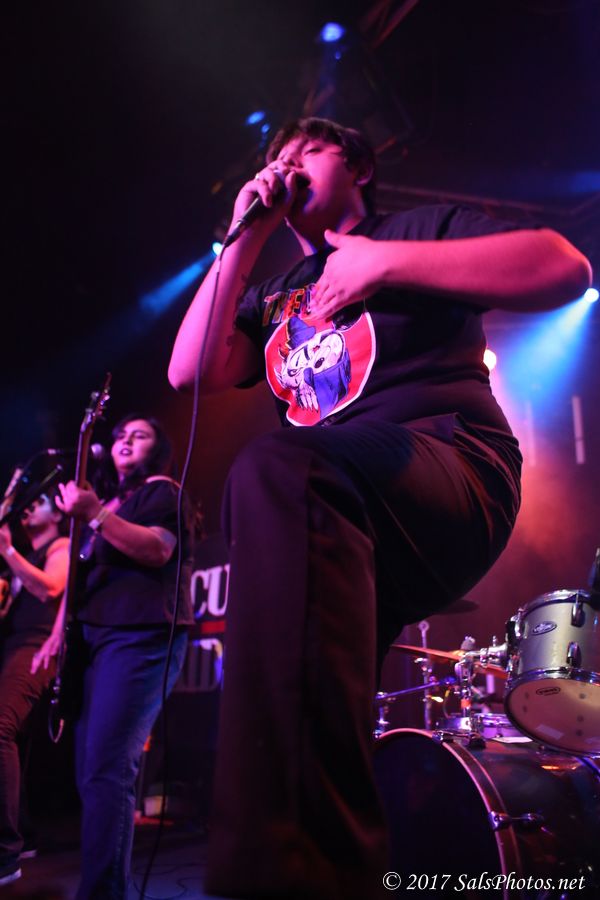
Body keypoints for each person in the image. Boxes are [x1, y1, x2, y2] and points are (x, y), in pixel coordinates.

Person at [168, 117, 592, 899]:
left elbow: (564, 268)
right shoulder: (275, 294)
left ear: (358, 166)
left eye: (308, 151)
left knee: (275, 467)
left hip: (451, 460)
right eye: (277, 157)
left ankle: (288, 872)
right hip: (335, 506)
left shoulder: (417, 231)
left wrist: (381, 263)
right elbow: (190, 371)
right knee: (317, 698)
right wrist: (243, 234)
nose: (288, 165)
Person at [39, 414, 194, 899]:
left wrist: (95, 515)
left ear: (158, 448)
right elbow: (80, 579)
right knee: (92, 772)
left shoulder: (163, 491)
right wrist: (56, 634)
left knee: (108, 768)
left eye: (139, 435)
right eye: (121, 434)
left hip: (139, 634)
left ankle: (102, 893)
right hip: (96, 639)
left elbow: (158, 550)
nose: (125, 440)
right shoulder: (111, 502)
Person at [0, 491, 68, 887]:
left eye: (39, 501)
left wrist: (8, 552)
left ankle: (5, 853)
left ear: (57, 513)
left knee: (1, 727)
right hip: (14, 646)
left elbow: (52, 589)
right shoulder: (24, 558)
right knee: (16, 742)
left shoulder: (60, 545)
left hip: (37, 647)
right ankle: (24, 834)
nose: (29, 507)